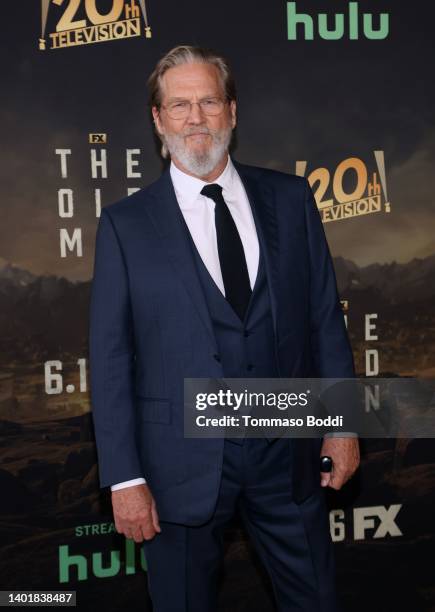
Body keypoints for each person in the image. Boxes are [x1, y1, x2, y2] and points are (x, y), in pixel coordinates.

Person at [89, 44, 360, 612]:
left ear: (232, 113)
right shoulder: (125, 226)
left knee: (317, 600)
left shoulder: (291, 199)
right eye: (180, 104)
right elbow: (110, 360)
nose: (196, 117)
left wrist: (341, 426)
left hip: (288, 453)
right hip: (177, 465)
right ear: (159, 120)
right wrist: (123, 477)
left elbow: (322, 319)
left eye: (209, 101)